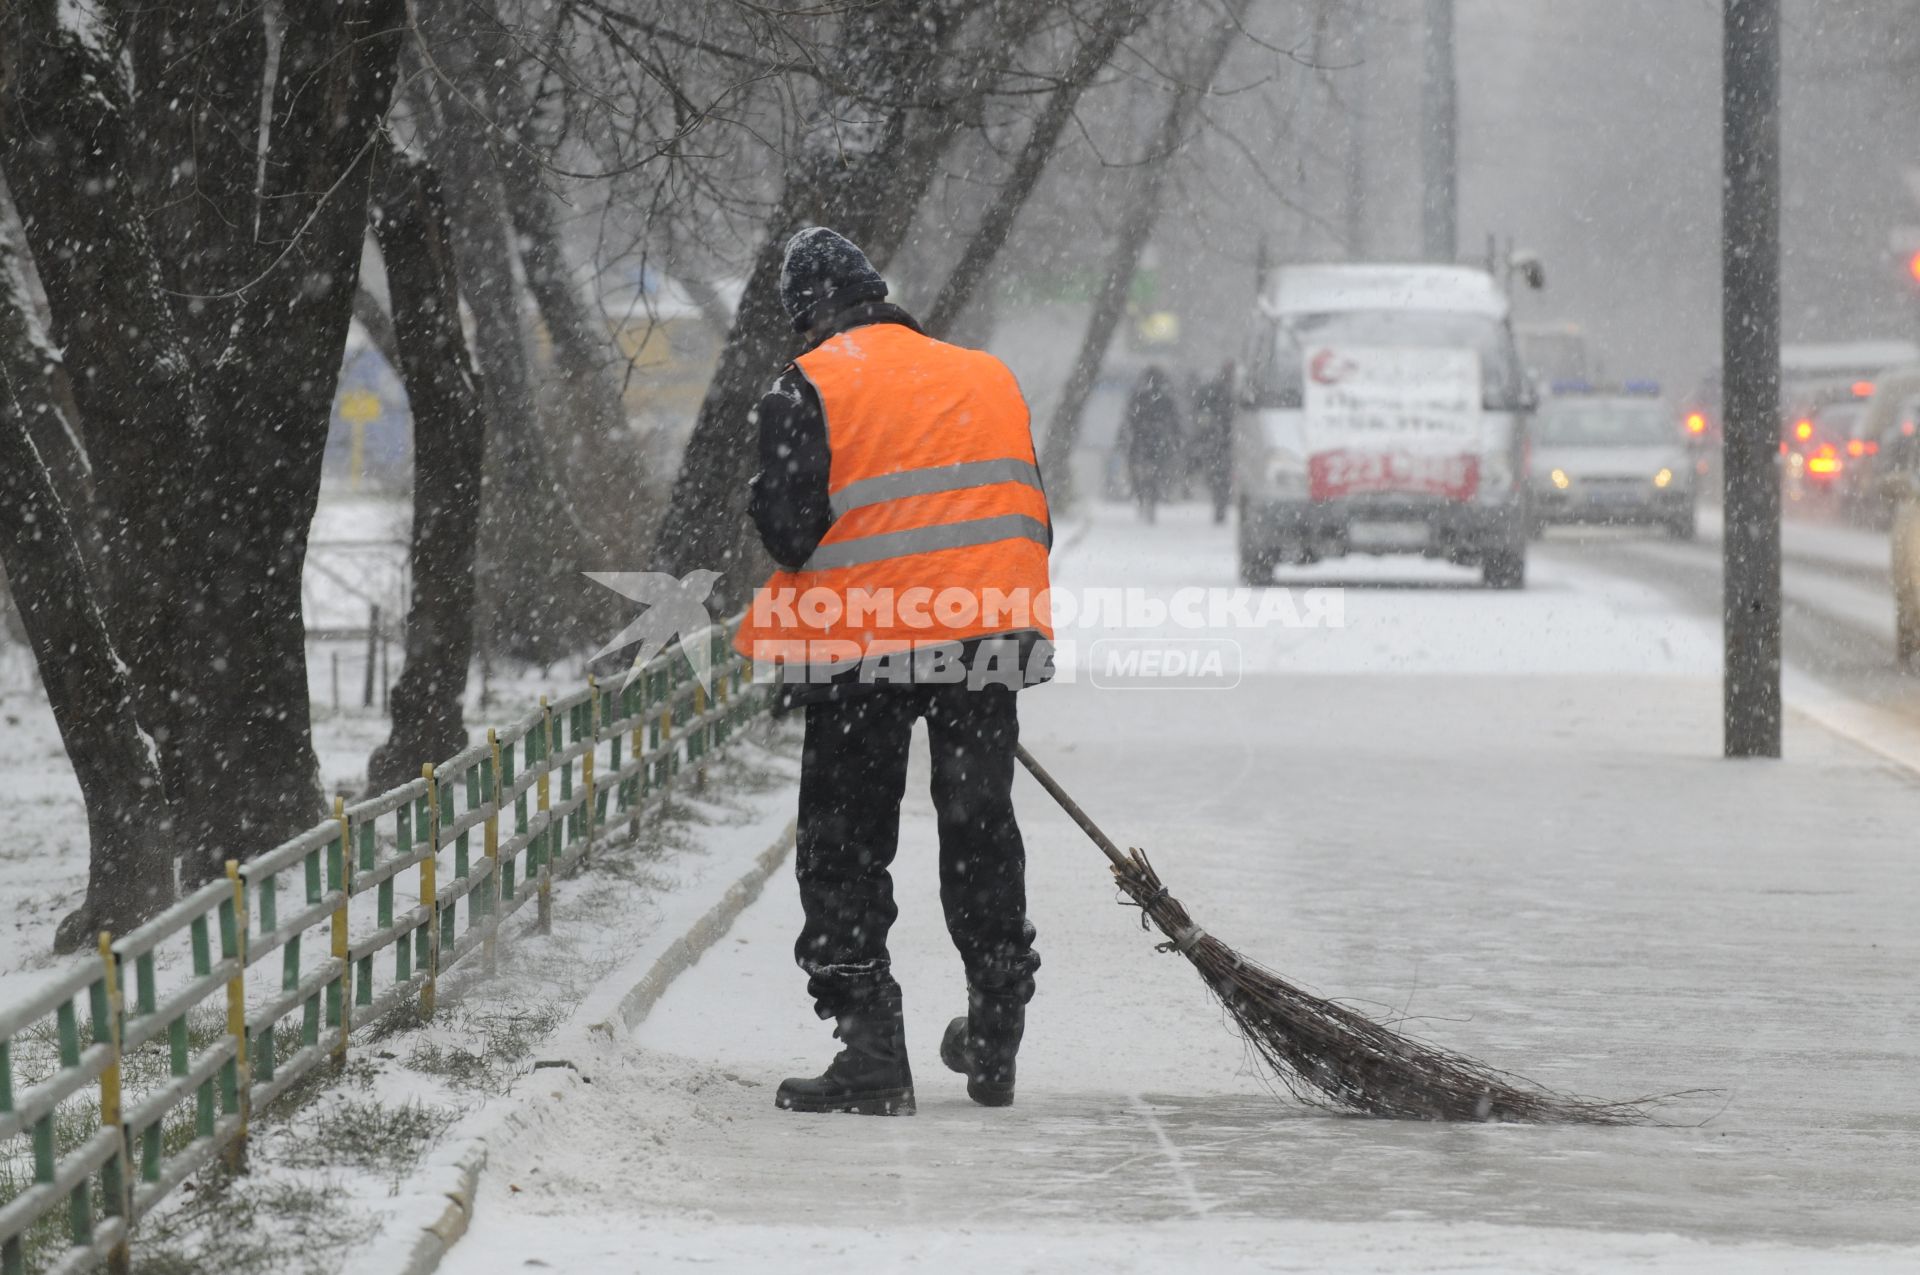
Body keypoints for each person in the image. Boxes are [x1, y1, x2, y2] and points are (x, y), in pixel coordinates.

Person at [734, 226, 1053, 1116]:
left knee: (845, 840)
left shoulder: (809, 384)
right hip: (987, 634)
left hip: (861, 644)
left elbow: (792, 532)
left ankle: (871, 1049)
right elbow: (1030, 513)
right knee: (979, 824)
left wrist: (763, 487)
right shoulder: (986, 375)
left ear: (806, 313)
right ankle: (995, 1031)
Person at [1123, 365, 1182, 523]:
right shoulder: (1165, 398)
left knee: (1139, 468)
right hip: (1156, 439)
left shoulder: (1139, 396)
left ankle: (1140, 494)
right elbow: (1175, 420)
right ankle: (1158, 490)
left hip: (1143, 438)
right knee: (1158, 466)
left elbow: (1129, 418)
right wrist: (1175, 436)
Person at [1192, 360, 1237, 524]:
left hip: (1218, 441)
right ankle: (1221, 502)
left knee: (1218, 474)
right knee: (1220, 474)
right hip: (1223, 441)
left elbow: (1200, 413)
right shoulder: (1229, 392)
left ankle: (1220, 502)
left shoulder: (1214, 391)